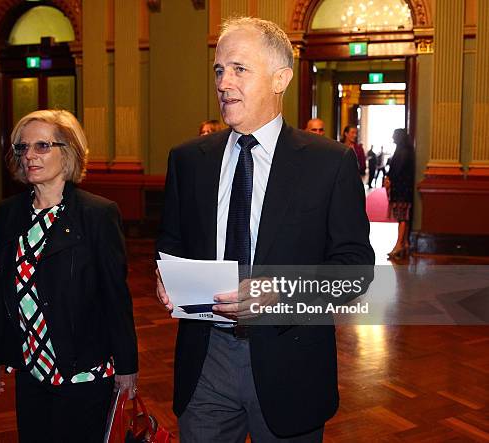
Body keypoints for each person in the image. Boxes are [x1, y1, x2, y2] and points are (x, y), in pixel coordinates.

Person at [156, 17, 374, 442]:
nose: (223, 82)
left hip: (290, 362)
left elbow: (355, 271)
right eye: (219, 70)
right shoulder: (188, 160)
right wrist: (163, 274)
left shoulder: (329, 164)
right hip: (205, 362)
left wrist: (280, 293)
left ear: (280, 79)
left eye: (239, 69)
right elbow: (171, 241)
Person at [0, 110, 138, 442]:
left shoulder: (97, 214)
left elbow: (115, 297)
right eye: (22, 148)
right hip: (31, 368)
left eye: (42, 146)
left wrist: (127, 365)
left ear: (66, 152)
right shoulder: (10, 213)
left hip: (82, 370)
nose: (29, 156)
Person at [384, 128, 415, 259]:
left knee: (401, 217)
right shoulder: (407, 150)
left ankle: (398, 245)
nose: (392, 137)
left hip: (401, 190)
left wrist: (389, 179)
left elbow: (397, 170)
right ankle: (405, 243)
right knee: (405, 218)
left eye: (394, 135)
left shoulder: (402, 152)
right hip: (405, 189)